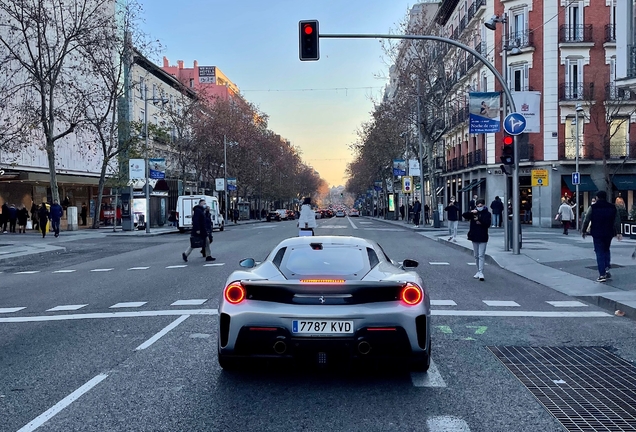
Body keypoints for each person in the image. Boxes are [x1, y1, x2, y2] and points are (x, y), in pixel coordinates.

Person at [582, 191, 622, 282]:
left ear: (597, 197)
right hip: (609, 232)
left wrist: (584, 231)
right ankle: (607, 267)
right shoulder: (612, 207)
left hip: (597, 233)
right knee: (606, 249)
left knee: (599, 252)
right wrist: (619, 232)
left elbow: (586, 219)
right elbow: (617, 220)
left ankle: (602, 274)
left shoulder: (593, 207)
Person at [462, 198, 492, 281]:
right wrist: (471, 212)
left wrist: (480, 221)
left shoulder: (487, 214)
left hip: (483, 236)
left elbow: (487, 224)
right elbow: (464, 215)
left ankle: (481, 271)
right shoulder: (473, 213)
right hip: (474, 235)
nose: (479, 207)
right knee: (476, 255)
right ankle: (478, 271)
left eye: (481, 206)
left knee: (481, 255)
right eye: (478, 206)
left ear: (484, 205)